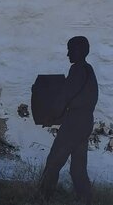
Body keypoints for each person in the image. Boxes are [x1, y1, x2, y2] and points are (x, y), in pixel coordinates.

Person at [39, 36, 98, 205]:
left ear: (81, 51)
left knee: (53, 162)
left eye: (70, 49)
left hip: (74, 123)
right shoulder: (88, 69)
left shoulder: (78, 69)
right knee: (78, 167)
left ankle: (43, 198)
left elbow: (66, 94)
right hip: (85, 122)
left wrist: (51, 115)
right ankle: (85, 199)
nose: (67, 54)